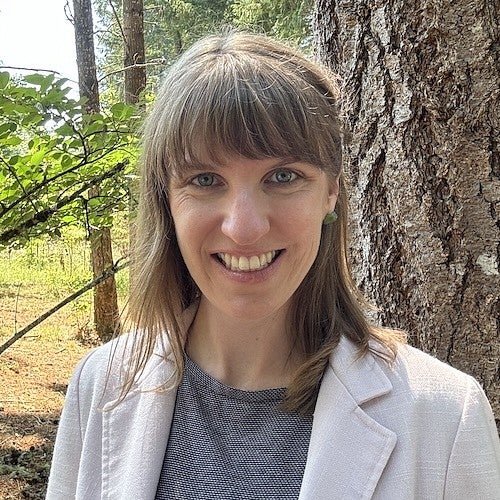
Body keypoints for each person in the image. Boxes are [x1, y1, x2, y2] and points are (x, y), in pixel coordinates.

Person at [46, 31, 500, 499]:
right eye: (205, 179)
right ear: (166, 199)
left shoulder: (445, 418)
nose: (244, 228)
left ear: (331, 191)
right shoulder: (100, 386)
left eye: (283, 177)